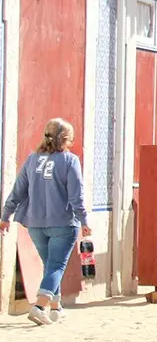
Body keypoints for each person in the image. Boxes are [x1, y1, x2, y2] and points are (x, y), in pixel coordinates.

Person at [1, 118, 90, 326]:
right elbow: (77, 196)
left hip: (35, 224)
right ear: (66, 139)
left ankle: (56, 308)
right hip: (63, 223)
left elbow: (17, 191)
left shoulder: (32, 160)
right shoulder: (70, 161)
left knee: (50, 265)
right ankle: (40, 306)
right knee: (56, 266)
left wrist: (5, 216)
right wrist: (84, 220)